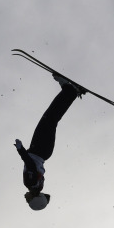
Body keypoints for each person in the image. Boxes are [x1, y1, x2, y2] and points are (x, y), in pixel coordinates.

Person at [14, 75, 87, 210]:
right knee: (49, 117)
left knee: (52, 119)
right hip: (39, 148)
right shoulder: (29, 183)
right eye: (28, 201)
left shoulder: (39, 186)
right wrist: (20, 149)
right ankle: (69, 90)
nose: (26, 199)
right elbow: (29, 164)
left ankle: (71, 91)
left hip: (44, 152)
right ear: (34, 199)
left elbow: (33, 166)